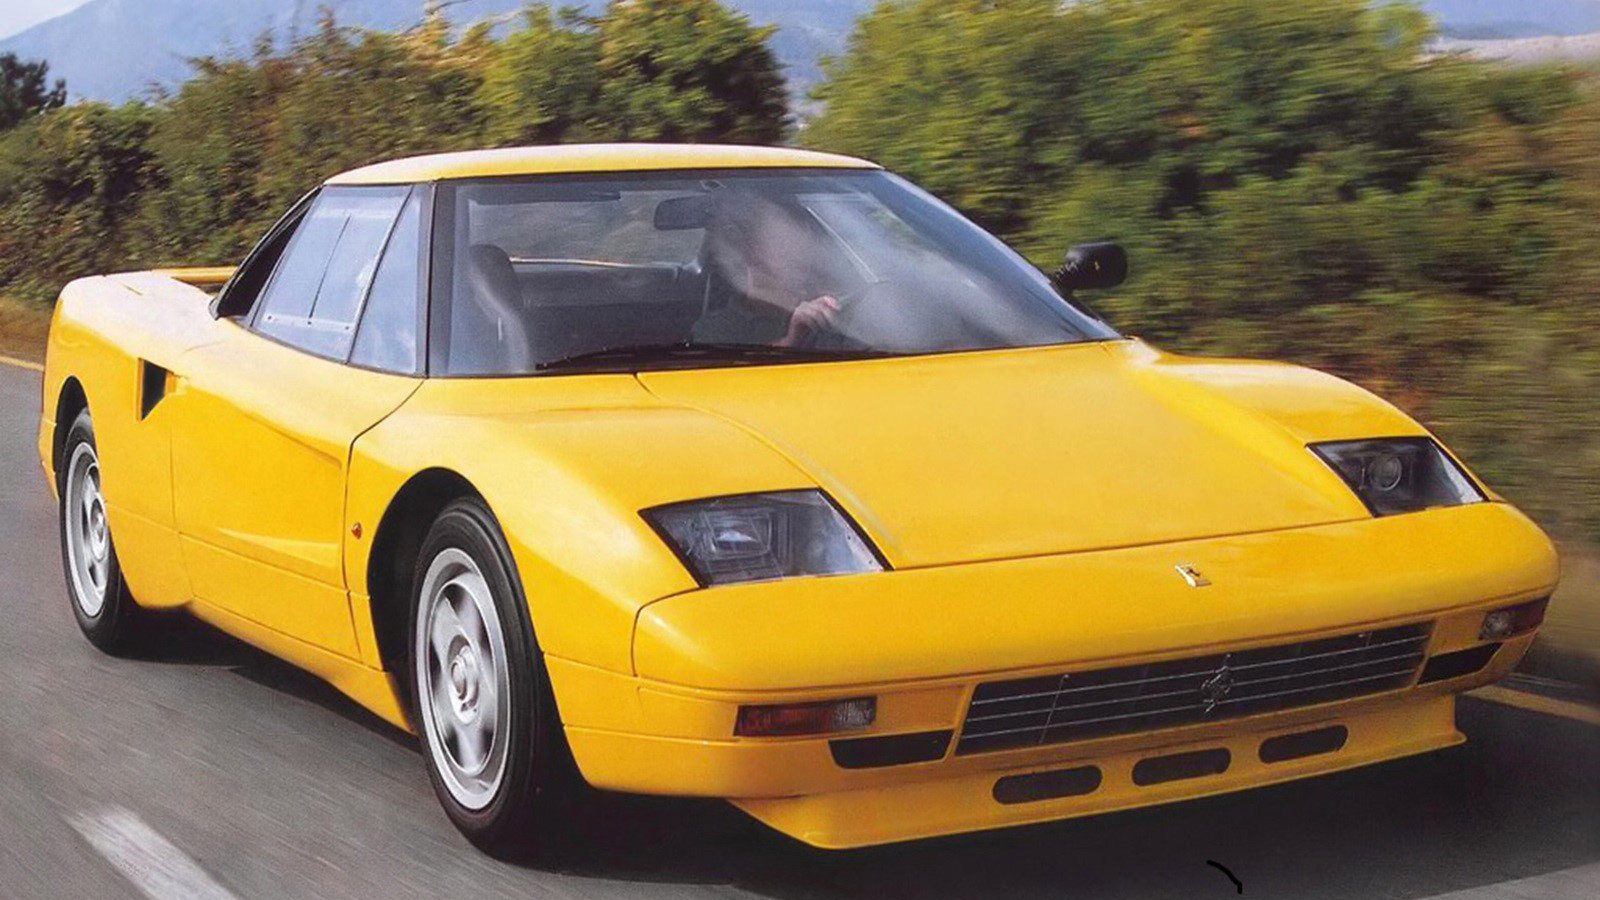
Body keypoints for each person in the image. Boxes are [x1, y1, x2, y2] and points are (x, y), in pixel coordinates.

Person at [692, 190, 844, 347]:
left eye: (801, 245)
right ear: (749, 254)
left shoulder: (822, 313)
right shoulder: (715, 328)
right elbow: (725, 363)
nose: (800, 256)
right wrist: (790, 341)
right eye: (784, 246)